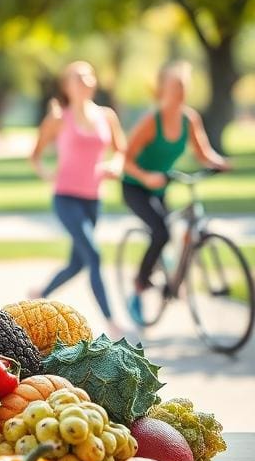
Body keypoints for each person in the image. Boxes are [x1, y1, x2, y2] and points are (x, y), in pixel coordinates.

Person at [122, 61, 230, 326]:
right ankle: (138, 286)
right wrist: (146, 176)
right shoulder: (151, 121)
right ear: (163, 89)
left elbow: (203, 152)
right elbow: (124, 159)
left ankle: (171, 273)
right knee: (161, 231)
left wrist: (219, 162)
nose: (180, 91)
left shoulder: (189, 119)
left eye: (184, 86)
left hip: (161, 187)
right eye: (175, 86)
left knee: (174, 230)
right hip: (135, 186)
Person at [30, 60, 127, 336]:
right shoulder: (59, 119)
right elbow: (35, 153)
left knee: (78, 262)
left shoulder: (106, 116)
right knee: (94, 255)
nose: (84, 80)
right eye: (77, 77)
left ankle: (41, 292)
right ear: (67, 86)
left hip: (93, 199)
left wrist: (116, 166)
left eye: (88, 76)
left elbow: (120, 149)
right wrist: (46, 172)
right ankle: (111, 322)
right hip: (65, 198)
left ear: (94, 82)